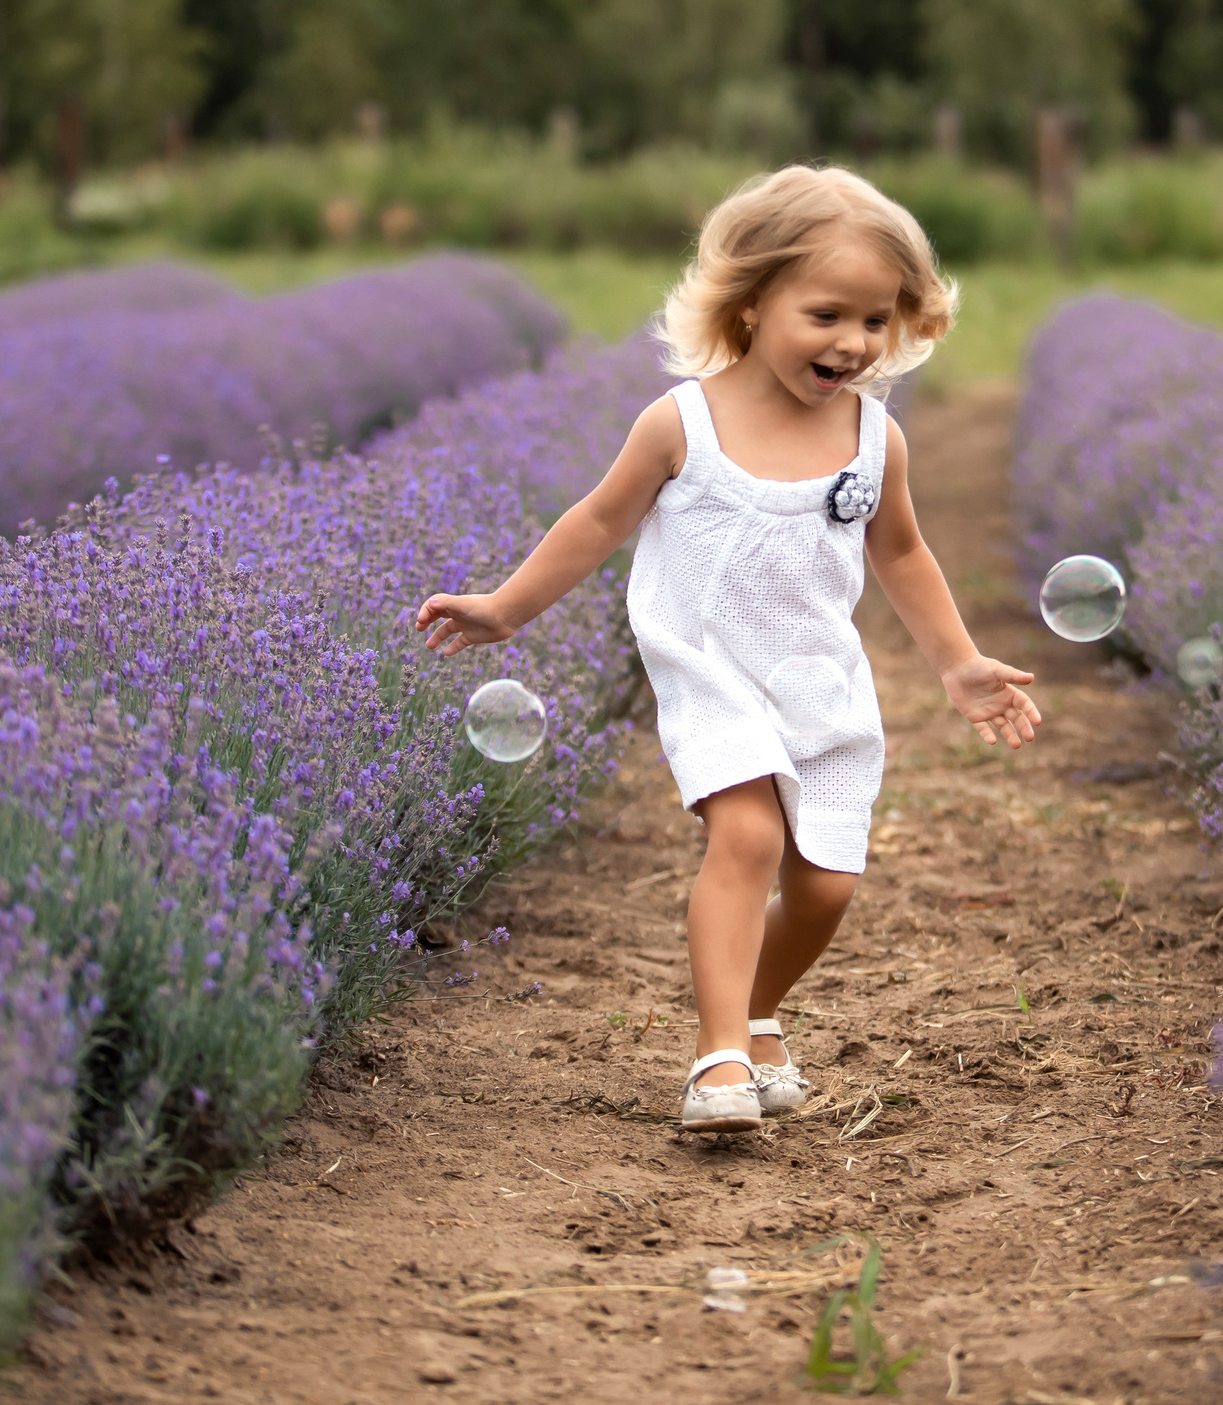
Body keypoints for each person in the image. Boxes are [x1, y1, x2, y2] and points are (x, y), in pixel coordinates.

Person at [414, 164, 1041, 1132]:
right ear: (751, 305)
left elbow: (903, 552)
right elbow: (595, 522)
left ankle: (756, 1012)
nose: (853, 343)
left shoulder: (875, 440)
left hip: (818, 682)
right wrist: (506, 609)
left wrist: (957, 662)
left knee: (827, 886)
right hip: (710, 668)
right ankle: (716, 1062)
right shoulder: (682, 425)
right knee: (746, 838)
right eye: (827, 314)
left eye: (876, 321)